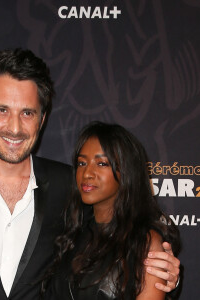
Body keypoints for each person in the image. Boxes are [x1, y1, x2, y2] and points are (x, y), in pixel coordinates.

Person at [0, 49, 180, 300]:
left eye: (27, 113)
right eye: (2, 110)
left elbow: (121, 236)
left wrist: (167, 275)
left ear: (43, 118)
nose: (14, 128)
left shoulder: (70, 185)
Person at [43, 121, 181, 299]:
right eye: (82, 163)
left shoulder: (145, 241)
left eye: (101, 164)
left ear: (126, 171)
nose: (87, 174)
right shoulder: (73, 232)